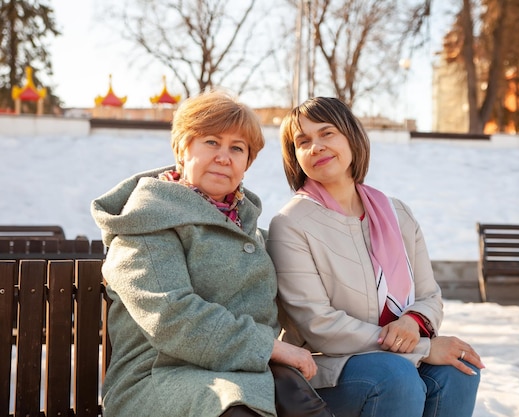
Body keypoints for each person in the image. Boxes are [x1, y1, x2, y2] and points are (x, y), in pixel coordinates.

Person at [91, 90, 333, 417]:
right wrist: (268, 347)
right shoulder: (147, 222)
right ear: (182, 149)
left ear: (246, 164)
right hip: (157, 378)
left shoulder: (250, 229)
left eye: (237, 148)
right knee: (236, 408)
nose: (224, 156)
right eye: (211, 142)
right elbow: (172, 316)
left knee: (306, 400)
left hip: (242, 372)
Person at [266, 97, 484, 417]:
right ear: (295, 156)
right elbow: (318, 324)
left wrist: (412, 322)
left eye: (327, 134)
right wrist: (423, 349)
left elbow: (428, 296)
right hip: (327, 369)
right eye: (303, 141)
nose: (316, 147)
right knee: (395, 374)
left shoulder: (397, 213)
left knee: (459, 368)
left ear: (352, 137)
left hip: (396, 361)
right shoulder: (291, 224)